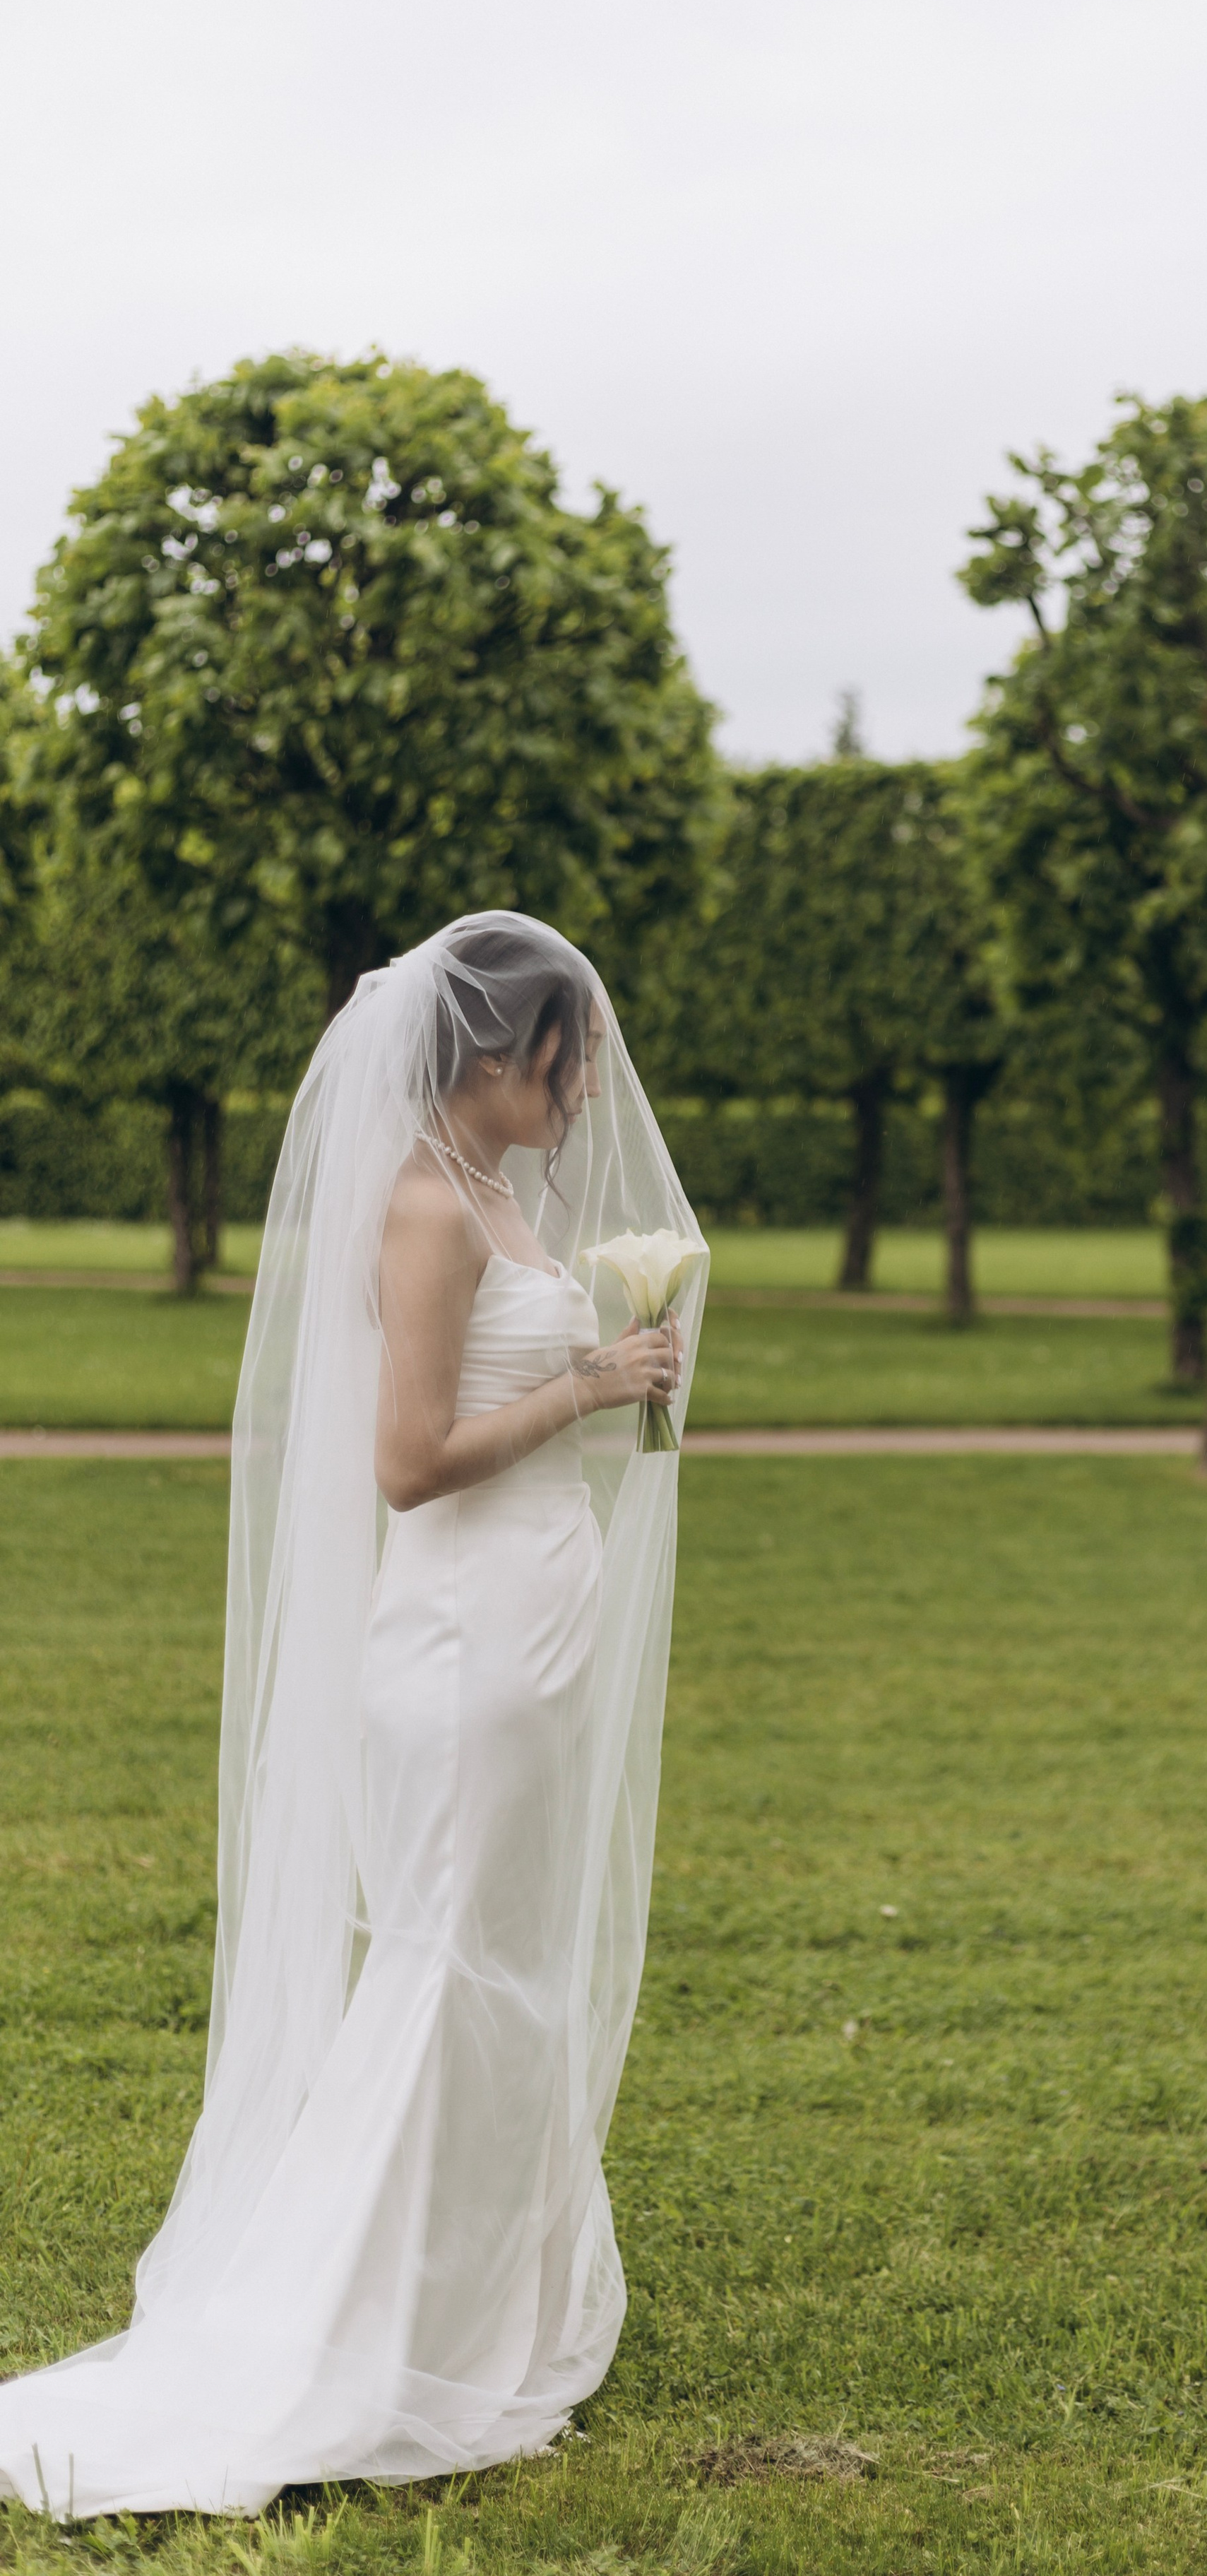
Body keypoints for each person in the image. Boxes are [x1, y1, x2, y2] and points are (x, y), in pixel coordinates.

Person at [0, 913, 708, 2519]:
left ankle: (471, 2311)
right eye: (572, 1052)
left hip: (527, 1631)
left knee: (503, 1968)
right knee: (450, 1962)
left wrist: (612, 1371)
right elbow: (408, 1464)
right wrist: (589, 1389)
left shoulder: (503, 1199)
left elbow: (494, 1410)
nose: (592, 1083)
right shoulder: (417, 1205)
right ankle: (357, 2331)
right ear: (495, 1053)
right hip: (455, 1649)